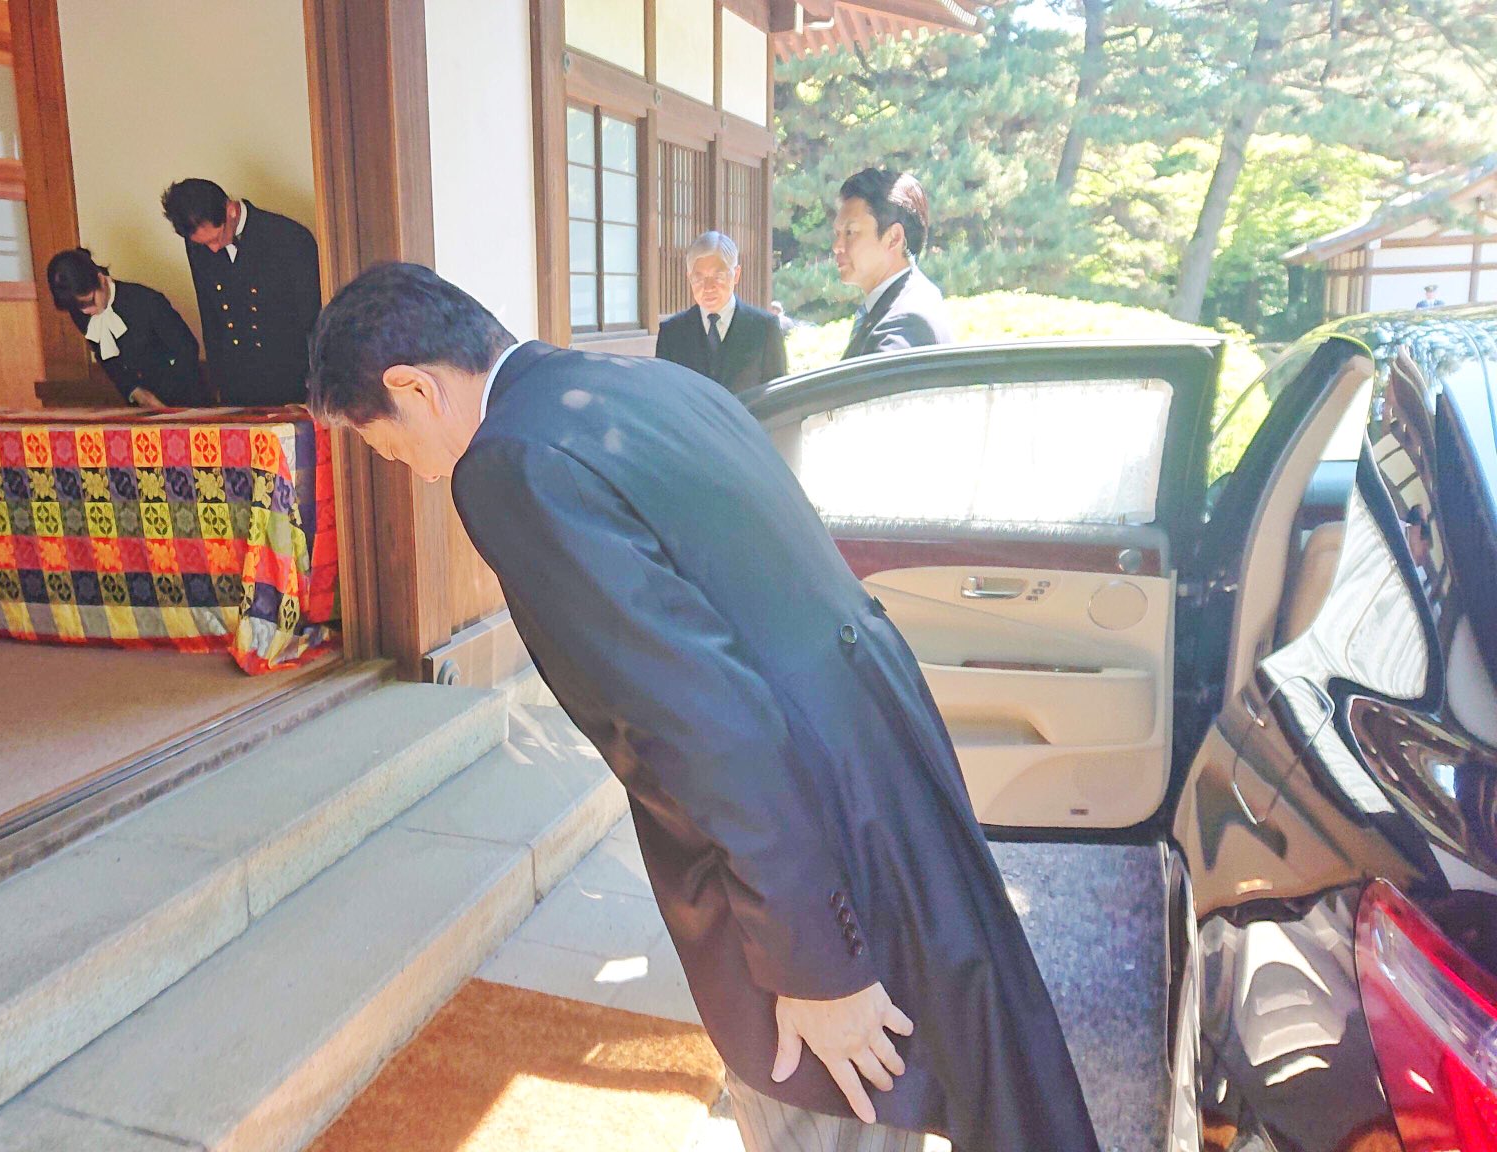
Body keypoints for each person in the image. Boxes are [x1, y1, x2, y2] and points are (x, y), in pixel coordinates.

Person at [306, 262, 1101, 1152]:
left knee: (833, 1099)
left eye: (388, 446)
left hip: (801, 840)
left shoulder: (509, 462)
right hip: (876, 764)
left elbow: (700, 724)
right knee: (937, 1072)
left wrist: (816, 963)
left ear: (414, 388)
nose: (412, 472)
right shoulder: (649, 384)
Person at [159, 178, 320, 407]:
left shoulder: (289, 237)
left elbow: (312, 319)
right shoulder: (198, 244)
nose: (213, 249)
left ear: (231, 210)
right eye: (204, 244)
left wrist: (315, 387)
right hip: (236, 388)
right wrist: (218, 381)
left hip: (289, 382)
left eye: (216, 239)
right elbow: (210, 314)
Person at [45, 248, 210, 408]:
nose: (86, 311)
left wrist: (164, 399)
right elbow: (107, 359)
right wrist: (135, 391)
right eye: (78, 306)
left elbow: (187, 348)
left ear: (101, 279)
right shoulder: (81, 313)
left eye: (90, 302)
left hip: (185, 398)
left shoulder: (146, 301)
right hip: (141, 404)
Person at [833, 168, 953, 360]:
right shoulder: (906, 300)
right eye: (837, 234)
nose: (837, 246)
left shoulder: (905, 322)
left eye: (850, 232)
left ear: (894, 238)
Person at [654, 231, 788, 394]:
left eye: (718, 276)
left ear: (736, 274)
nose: (708, 287)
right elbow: (663, 396)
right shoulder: (671, 332)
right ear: (689, 277)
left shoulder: (765, 328)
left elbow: (778, 398)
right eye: (699, 278)